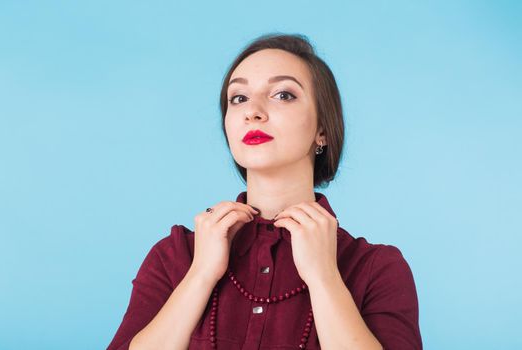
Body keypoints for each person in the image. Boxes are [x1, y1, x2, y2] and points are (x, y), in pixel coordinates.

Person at [107, 33, 422, 350]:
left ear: (322, 130)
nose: (252, 111)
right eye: (239, 98)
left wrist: (325, 278)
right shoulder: (176, 256)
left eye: (283, 95)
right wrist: (200, 275)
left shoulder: (377, 267)